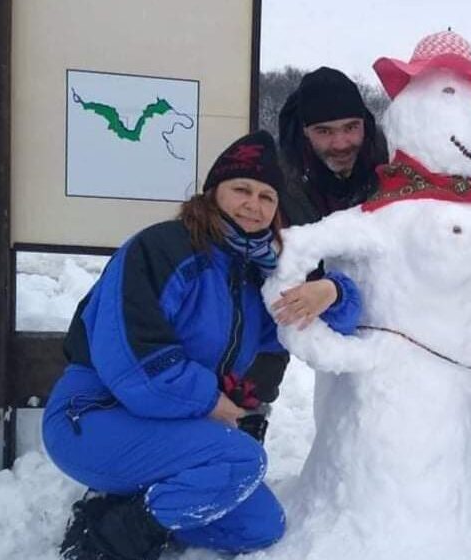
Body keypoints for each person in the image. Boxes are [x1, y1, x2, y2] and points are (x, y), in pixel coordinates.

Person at [42, 131, 362, 560]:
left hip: (172, 426)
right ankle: (106, 536)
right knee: (242, 461)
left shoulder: (258, 276)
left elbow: (319, 330)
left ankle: (138, 501)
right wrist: (210, 401)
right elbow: (135, 362)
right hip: (95, 415)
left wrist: (331, 291)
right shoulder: (162, 248)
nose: (254, 205)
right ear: (213, 194)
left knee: (260, 525)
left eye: (267, 197)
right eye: (241, 190)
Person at [276, 66, 388, 227]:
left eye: (351, 127)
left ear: (364, 122)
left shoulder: (392, 157)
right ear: (305, 131)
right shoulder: (277, 175)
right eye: (324, 131)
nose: (340, 144)